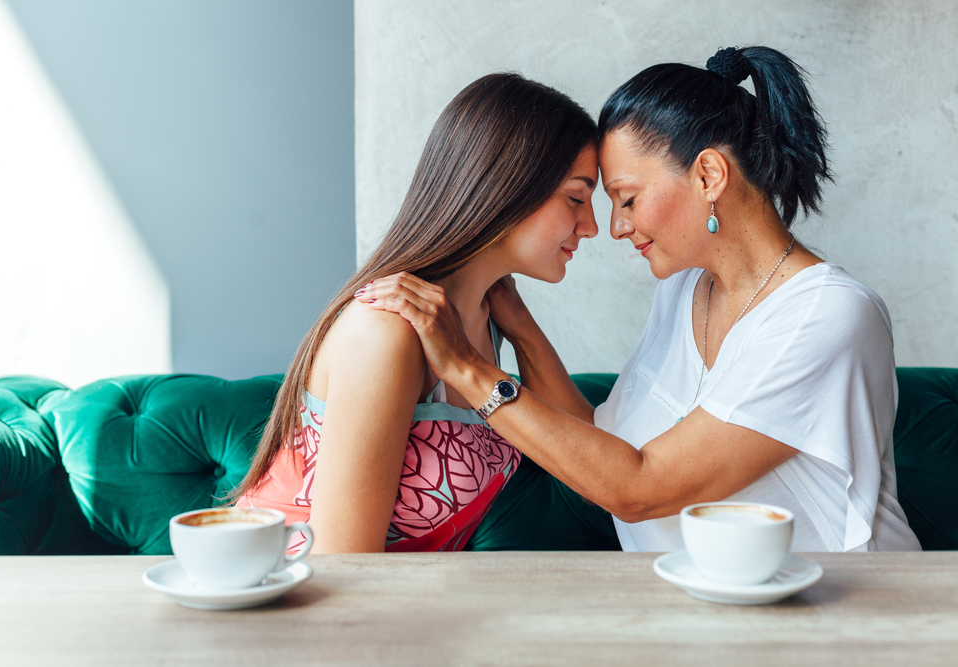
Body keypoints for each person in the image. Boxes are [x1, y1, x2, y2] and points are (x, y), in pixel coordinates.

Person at [360, 46, 921, 552]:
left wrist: (467, 368)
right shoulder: (684, 289)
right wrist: (519, 323)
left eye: (625, 198)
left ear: (708, 174)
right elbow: (605, 447)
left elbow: (639, 488)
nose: (614, 226)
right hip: (701, 605)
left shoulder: (826, 314)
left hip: (834, 608)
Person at [229, 73, 603, 553]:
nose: (592, 226)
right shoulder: (388, 329)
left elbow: (594, 466)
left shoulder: (488, 318)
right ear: (508, 183)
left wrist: (522, 327)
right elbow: (343, 566)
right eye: (576, 197)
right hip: (294, 609)